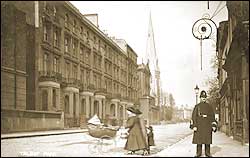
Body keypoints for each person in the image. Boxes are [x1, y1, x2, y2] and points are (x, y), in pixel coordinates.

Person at [190, 90, 217, 157]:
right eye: (202, 97)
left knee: (207, 140)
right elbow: (193, 116)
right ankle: (198, 153)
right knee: (199, 140)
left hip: (207, 126)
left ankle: (207, 153)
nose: (203, 98)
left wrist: (213, 125)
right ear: (200, 98)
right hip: (199, 126)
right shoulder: (197, 106)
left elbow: (212, 116)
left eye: (204, 97)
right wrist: (194, 126)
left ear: (206, 98)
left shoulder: (209, 106)